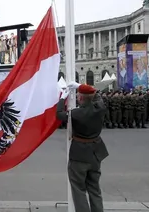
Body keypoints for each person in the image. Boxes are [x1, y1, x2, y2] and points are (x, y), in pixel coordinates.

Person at [57, 82, 109, 212]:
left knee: (78, 190)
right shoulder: (100, 108)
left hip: (80, 154)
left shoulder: (76, 113)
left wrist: (62, 98)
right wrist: (80, 86)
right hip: (96, 153)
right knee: (94, 189)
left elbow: (59, 114)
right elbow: (97, 95)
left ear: (80, 98)